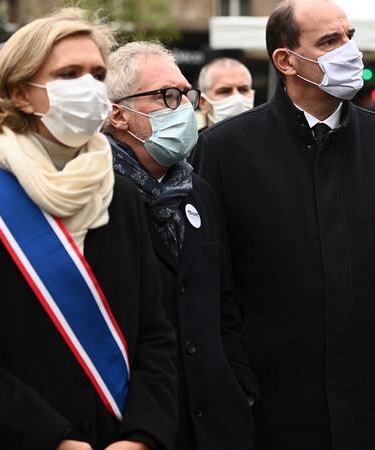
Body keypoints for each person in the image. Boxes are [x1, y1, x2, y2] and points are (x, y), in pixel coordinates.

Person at [0, 9, 178, 450]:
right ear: (19, 93)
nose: (90, 88)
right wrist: (54, 440)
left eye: (97, 74)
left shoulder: (121, 194)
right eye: (69, 73)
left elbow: (154, 335)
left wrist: (142, 435)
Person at [192, 1, 375, 448]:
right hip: (270, 404)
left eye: (350, 35)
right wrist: (234, 388)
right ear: (286, 61)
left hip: (369, 402)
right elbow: (212, 287)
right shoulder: (225, 150)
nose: (350, 50)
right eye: (330, 41)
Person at [103, 41, 257, 450]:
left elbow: (222, 302)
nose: (183, 108)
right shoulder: (95, 197)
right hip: (136, 426)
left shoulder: (198, 191)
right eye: (166, 96)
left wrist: (240, 386)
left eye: (185, 96)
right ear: (118, 113)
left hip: (215, 423)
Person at [197, 57, 255, 129]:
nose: (237, 98)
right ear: (203, 103)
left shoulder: (270, 138)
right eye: (224, 91)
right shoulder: (194, 140)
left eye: (243, 89)